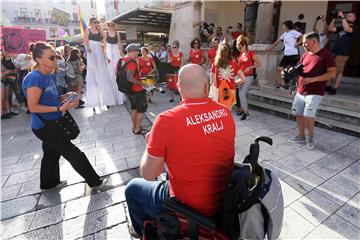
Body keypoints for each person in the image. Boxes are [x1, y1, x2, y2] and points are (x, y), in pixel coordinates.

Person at [125, 64, 236, 237]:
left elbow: (148, 174)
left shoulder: (166, 120)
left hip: (190, 205)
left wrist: (149, 144)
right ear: (207, 87)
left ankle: (142, 231)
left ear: (178, 88)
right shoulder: (225, 113)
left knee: (132, 188)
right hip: (226, 198)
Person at [22, 42, 104, 189]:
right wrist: (59, 108)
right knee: (73, 153)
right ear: (39, 60)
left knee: (51, 154)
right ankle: (95, 181)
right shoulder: (34, 77)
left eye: (57, 56)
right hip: (45, 126)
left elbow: (51, 97)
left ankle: (48, 183)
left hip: (52, 122)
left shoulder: (49, 74)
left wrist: (66, 96)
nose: (56, 60)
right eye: (52, 57)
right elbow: (32, 106)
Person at [288, 32, 335, 150]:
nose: (302, 45)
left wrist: (313, 79)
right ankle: (301, 136)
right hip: (301, 90)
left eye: (304, 42)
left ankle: (310, 137)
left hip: (315, 91)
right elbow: (301, 70)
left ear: (313, 42)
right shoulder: (305, 55)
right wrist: (290, 73)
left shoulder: (327, 55)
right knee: (298, 114)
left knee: (309, 115)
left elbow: (332, 74)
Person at [83, 17, 117, 111]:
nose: (96, 23)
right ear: (90, 23)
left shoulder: (99, 30)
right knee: (93, 75)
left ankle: (107, 101)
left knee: (102, 74)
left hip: (99, 51)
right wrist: (88, 49)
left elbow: (105, 36)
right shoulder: (88, 30)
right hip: (91, 52)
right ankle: (94, 102)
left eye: (97, 22)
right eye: (95, 22)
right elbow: (85, 42)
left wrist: (100, 27)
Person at [327, 11, 357, 95]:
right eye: (347, 16)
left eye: (350, 16)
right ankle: (328, 86)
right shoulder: (341, 27)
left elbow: (347, 29)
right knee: (330, 69)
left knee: (339, 71)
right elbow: (330, 28)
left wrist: (342, 17)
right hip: (335, 51)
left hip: (343, 52)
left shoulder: (354, 28)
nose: (347, 17)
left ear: (354, 19)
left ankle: (334, 88)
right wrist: (334, 19)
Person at [266, 20, 303, 89]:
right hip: (286, 55)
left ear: (287, 26)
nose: (282, 26)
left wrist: (297, 43)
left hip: (293, 54)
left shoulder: (293, 32)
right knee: (279, 69)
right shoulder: (284, 34)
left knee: (292, 71)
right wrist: (270, 48)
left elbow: (303, 37)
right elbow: (278, 41)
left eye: (283, 25)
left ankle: (298, 86)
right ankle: (282, 84)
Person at [121, 44, 148, 135]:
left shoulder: (121, 60)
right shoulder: (131, 62)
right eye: (136, 52)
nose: (137, 53)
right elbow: (130, 77)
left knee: (134, 108)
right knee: (142, 109)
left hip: (128, 89)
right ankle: (137, 128)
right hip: (136, 89)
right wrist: (142, 83)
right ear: (133, 52)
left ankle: (135, 126)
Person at [210, 43, 246, 109]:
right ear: (230, 52)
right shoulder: (234, 64)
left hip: (218, 91)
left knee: (218, 112)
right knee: (227, 111)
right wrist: (235, 83)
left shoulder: (214, 65)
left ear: (218, 52)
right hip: (230, 90)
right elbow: (243, 79)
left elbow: (211, 82)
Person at [237, 35, 261, 120]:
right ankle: (243, 110)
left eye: (241, 47)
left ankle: (246, 113)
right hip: (241, 76)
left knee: (242, 93)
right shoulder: (241, 54)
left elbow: (258, 64)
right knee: (240, 93)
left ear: (245, 45)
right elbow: (238, 66)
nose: (240, 49)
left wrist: (250, 67)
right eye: (238, 47)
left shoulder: (251, 53)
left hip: (249, 77)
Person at [103, 21, 125, 105]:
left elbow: (119, 43)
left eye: (112, 25)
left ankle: (120, 96)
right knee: (110, 71)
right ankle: (111, 95)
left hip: (115, 50)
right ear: (108, 26)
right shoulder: (105, 33)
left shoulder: (117, 33)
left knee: (117, 68)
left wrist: (121, 51)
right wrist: (105, 55)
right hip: (108, 50)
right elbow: (104, 44)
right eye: (109, 25)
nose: (111, 26)